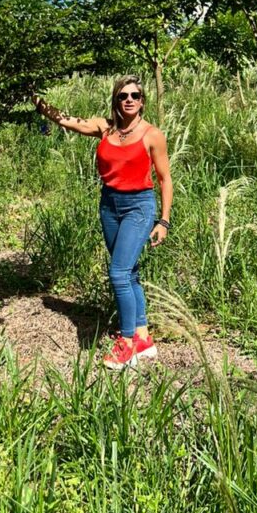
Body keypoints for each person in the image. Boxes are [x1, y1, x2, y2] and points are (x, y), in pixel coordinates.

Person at [33, 75, 172, 370]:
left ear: (143, 100)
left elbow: (164, 178)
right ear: (116, 100)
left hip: (139, 206)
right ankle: (143, 338)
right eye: (124, 96)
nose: (130, 100)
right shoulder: (104, 128)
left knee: (118, 273)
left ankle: (127, 342)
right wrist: (39, 104)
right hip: (109, 205)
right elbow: (69, 121)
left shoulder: (152, 135)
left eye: (135, 95)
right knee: (129, 273)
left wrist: (164, 220)